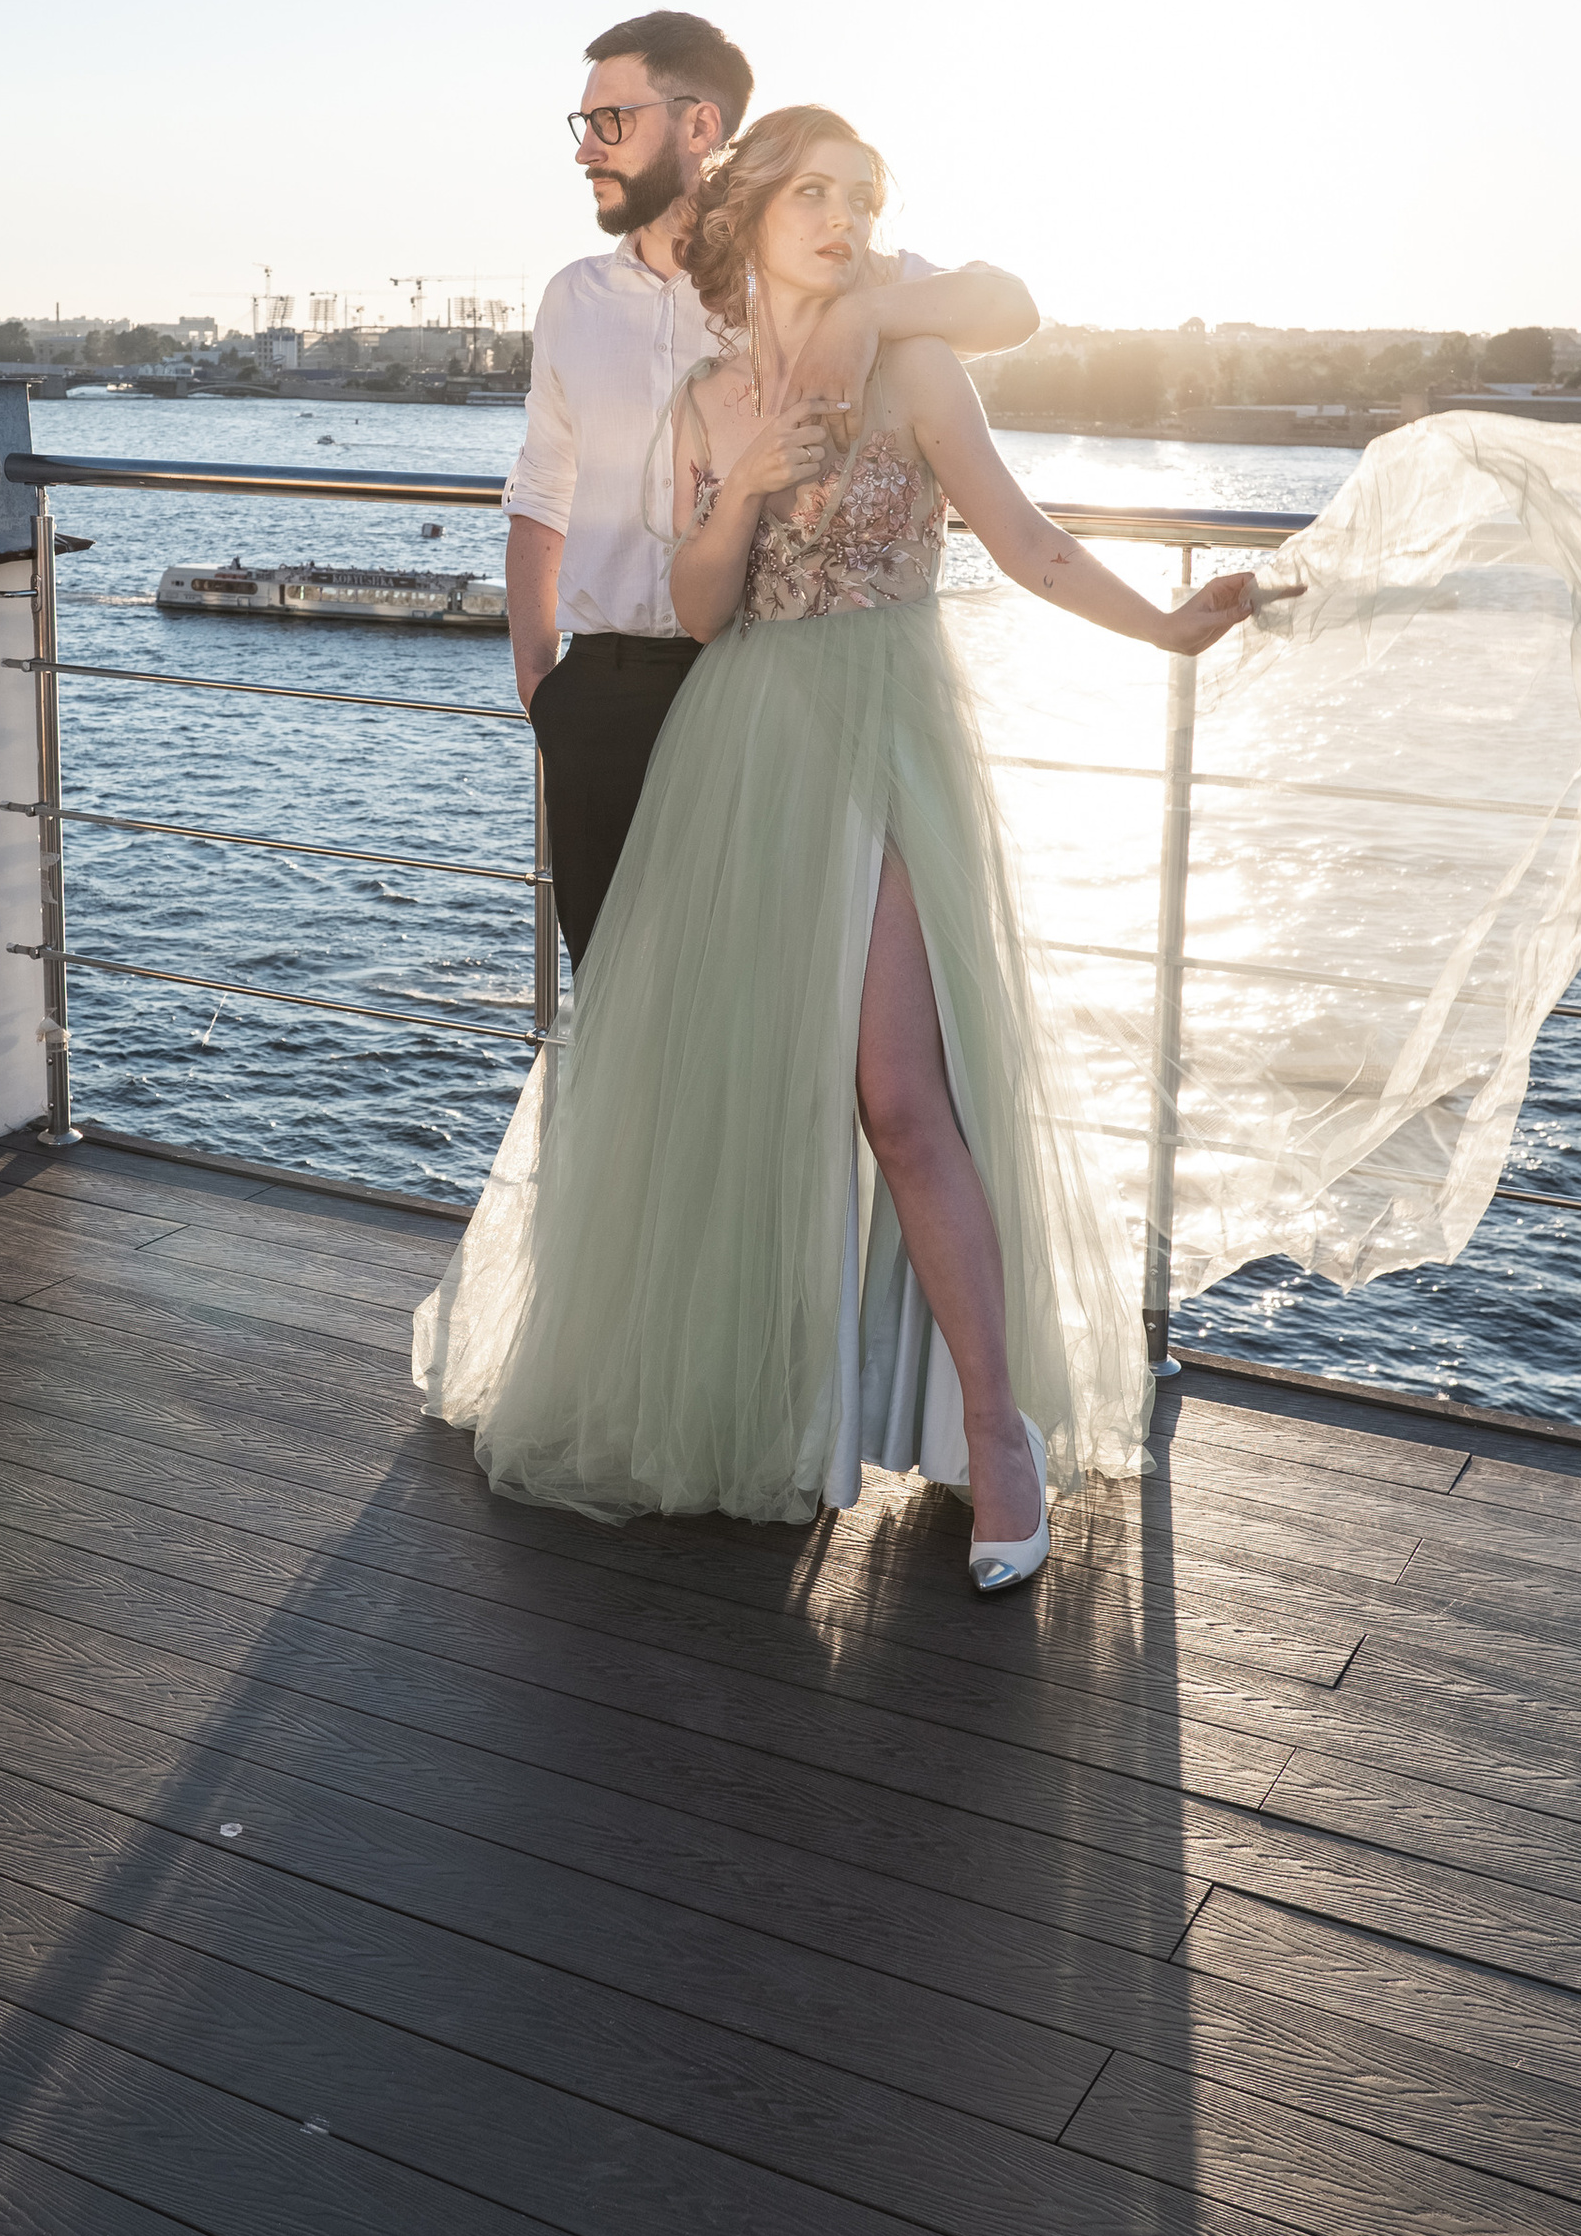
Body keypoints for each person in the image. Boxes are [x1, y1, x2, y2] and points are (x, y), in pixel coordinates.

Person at [419, 106, 1256, 1588]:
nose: (843, 216)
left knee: (898, 1094)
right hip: (740, 750)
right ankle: (767, 1423)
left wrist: (1168, 630)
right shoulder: (707, 393)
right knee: (742, 1103)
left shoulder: (917, 360)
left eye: (864, 196)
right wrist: (738, 483)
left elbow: (1028, 540)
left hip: (882, 728)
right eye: (814, 193)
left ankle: (999, 1441)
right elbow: (694, 609)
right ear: (751, 216)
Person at [505, 10, 1038, 968]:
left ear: (699, 127)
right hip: (604, 698)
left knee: (767, 1007)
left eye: (612, 121)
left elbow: (1009, 305)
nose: (587, 147)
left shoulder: (811, 262)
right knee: (618, 1003)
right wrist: (543, 685)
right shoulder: (570, 300)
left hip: (757, 694)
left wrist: (871, 310)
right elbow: (543, 490)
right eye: (582, 124)